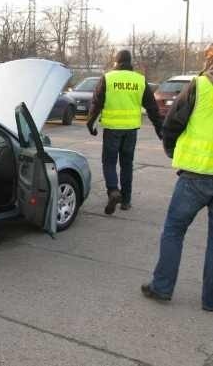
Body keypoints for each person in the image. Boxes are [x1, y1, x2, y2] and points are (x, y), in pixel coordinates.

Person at [142, 43, 213, 312]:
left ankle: (162, 287)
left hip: (195, 175)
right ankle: (210, 299)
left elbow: (172, 122)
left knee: (173, 230)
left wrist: (172, 150)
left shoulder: (200, 85)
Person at [87, 50, 163, 214]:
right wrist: (160, 129)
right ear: (130, 63)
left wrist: (90, 123)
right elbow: (152, 107)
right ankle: (126, 201)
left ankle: (113, 191)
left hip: (112, 130)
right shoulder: (140, 80)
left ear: (116, 62)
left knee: (109, 162)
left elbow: (96, 103)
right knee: (127, 164)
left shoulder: (108, 78)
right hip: (131, 131)